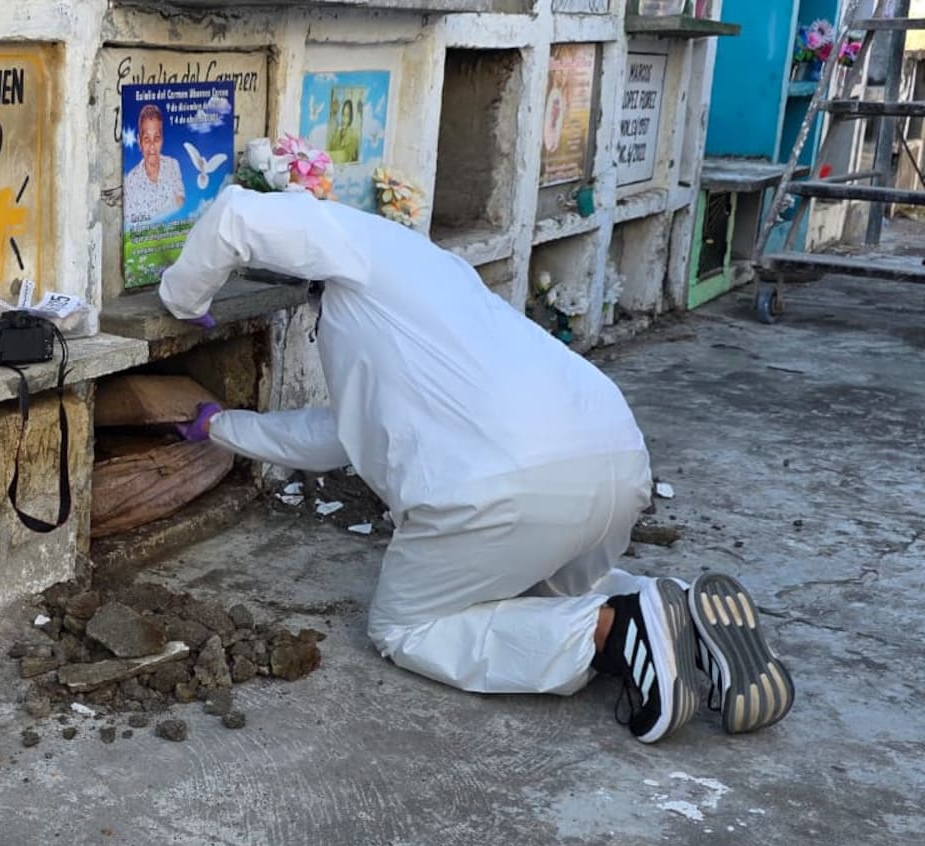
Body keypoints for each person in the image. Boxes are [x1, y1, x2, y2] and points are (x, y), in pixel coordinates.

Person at [159, 185, 795, 743]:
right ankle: (672, 605)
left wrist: (185, 300)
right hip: (615, 462)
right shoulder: (436, 281)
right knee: (543, 588)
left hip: (500, 491)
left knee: (406, 628)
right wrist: (222, 427)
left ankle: (611, 631)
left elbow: (235, 217)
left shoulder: (359, 240)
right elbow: (339, 437)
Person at [124, 104, 186, 223]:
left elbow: (181, 204)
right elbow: (132, 225)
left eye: (156, 138)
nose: (152, 146)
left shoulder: (173, 166)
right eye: (147, 139)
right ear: (139, 141)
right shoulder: (130, 182)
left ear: (162, 140)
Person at [327, 98, 360, 165]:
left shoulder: (354, 135)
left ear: (351, 117)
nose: (344, 118)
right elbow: (330, 147)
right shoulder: (337, 132)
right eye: (343, 114)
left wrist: (328, 155)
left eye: (347, 115)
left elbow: (346, 156)